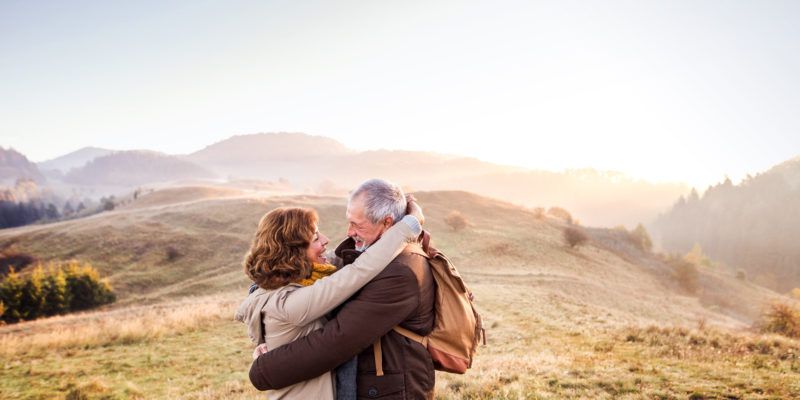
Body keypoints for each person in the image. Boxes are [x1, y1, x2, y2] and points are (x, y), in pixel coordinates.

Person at [249, 178, 437, 400]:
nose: (348, 232)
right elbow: (350, 265)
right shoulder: (370, 253)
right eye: (349, 222)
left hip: (389, 391)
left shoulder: (400, 271)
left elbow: (336, 340)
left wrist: (263, 370)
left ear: (387, 223)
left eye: (357, 224)